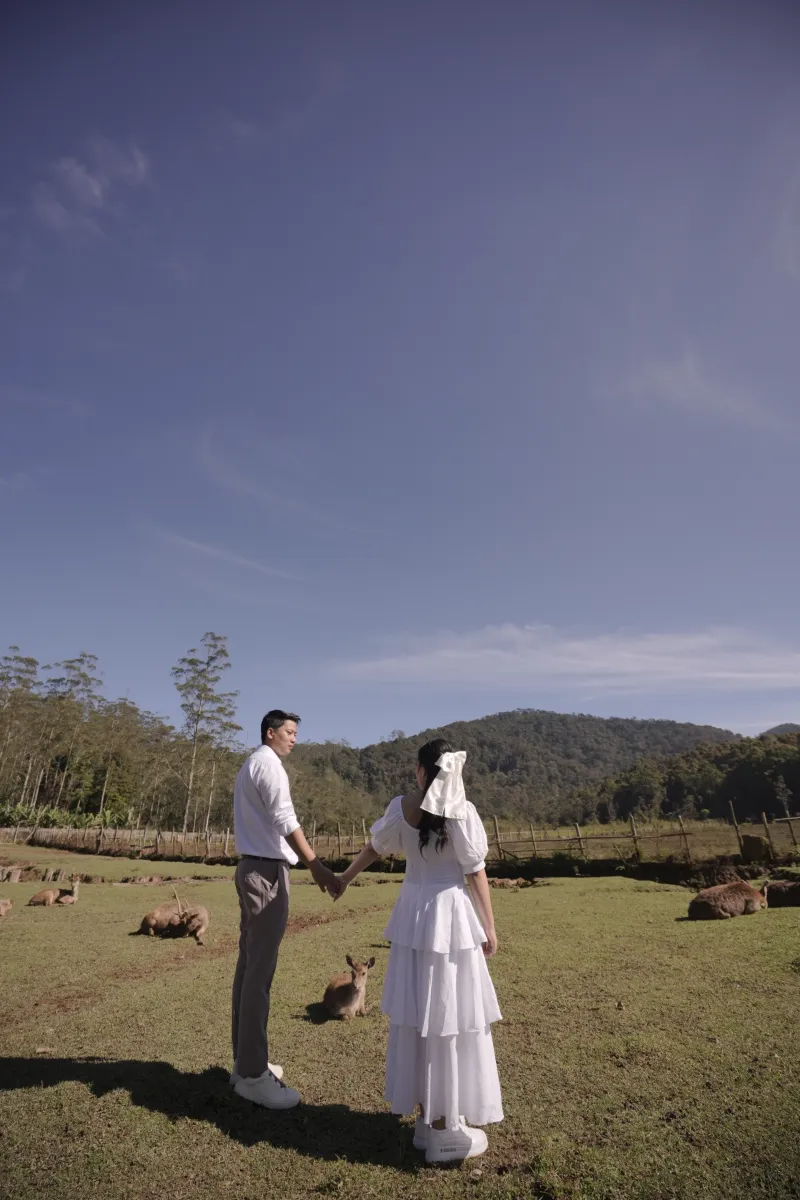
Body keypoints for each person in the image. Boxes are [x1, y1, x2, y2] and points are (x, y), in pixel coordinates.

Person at [336, 738, 503, 1164]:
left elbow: (375, 847)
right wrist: (489, 926)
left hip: (413, 916)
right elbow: (475, 870)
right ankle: (445, 1128)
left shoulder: (401, 808)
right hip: (450, 916)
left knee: (421, 1015)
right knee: (450, 1014)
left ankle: (429, 1120)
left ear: (421, 771)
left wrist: (345, 878)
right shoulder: (462, 812)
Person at [231, 708, 340, 1109]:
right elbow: (285, 819)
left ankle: (246, 1063)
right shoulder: (269, 766)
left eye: (295, 732)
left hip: (254, 868)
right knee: (258, 974)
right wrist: (316, 865)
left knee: (249, 969)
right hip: (265, 873)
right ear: (270, 732)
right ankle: (252, 1075)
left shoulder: (251, 765)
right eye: (289, 731)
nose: (294, 738)